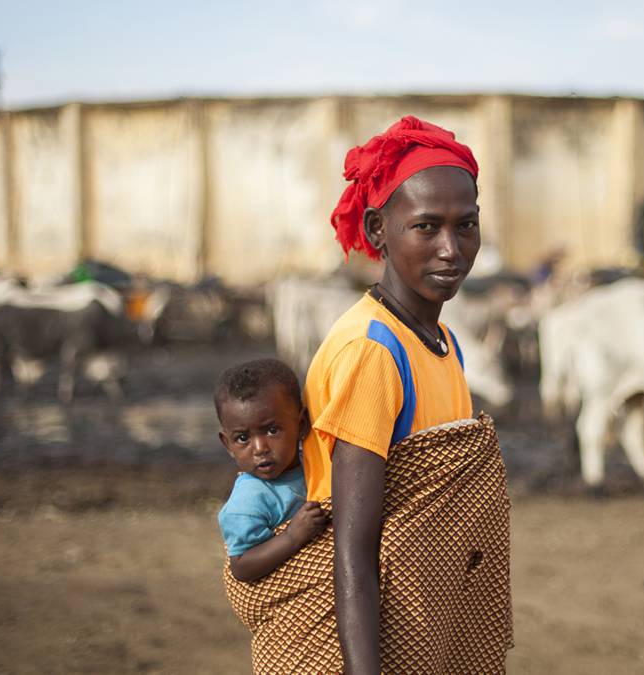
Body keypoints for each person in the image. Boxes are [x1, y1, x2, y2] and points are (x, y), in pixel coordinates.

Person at [302, 115, 509, 673]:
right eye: (426, 227)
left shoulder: (440, 341)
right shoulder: (373, 352)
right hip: (376, 630)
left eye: (466, 225)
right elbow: (354, 548)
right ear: (377, 231)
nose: (451, 249)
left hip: (425, 614)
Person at [215, 359, 327, 583]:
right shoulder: (247, 502)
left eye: (272, 430)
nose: (259, 448)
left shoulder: (318, 462)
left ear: (301, 424)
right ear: (228, 444)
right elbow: (242, 566)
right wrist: (292, 537)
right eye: (243, 438)